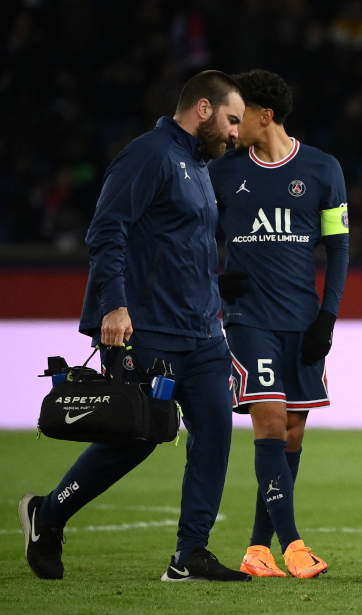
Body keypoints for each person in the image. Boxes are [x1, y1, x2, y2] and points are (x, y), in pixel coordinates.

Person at [19, 71, 249, 582]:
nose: (237, 134)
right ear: (204, 109)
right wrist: (114, 307)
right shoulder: (150, 154)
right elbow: (107, 231)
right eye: (233, 120)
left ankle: (190, 555)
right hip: (148, 329)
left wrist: (216, 286)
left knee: (214, 434)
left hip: (203, 332)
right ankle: (49, 514)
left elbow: (175, 243)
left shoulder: (195, 165)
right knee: (137, 436)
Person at [209, 70, 349, 579]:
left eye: (238, 115)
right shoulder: (221, 172)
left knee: (291, 431)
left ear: (264, 116)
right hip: (249, 320)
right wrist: (213, 280)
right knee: (268, 420)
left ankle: (256, 547)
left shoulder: (322, 169)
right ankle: (292, 543)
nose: (230, 126)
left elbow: (338, 248)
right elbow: (194, 235)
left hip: (302, 320)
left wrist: (328, 315)